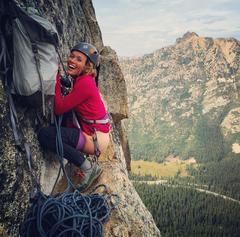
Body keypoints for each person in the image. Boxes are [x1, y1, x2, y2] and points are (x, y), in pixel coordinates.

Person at [38, 42, 110, 191]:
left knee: (45, 135)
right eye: (71, 56)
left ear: (87, 66)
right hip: (94, 134)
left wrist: (56, 79)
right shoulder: (82, 80)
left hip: (95, 139)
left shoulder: (86, 84)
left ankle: (88, 167)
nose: (72, 61)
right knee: (54, 130)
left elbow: (59, 108)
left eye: (79, 59)